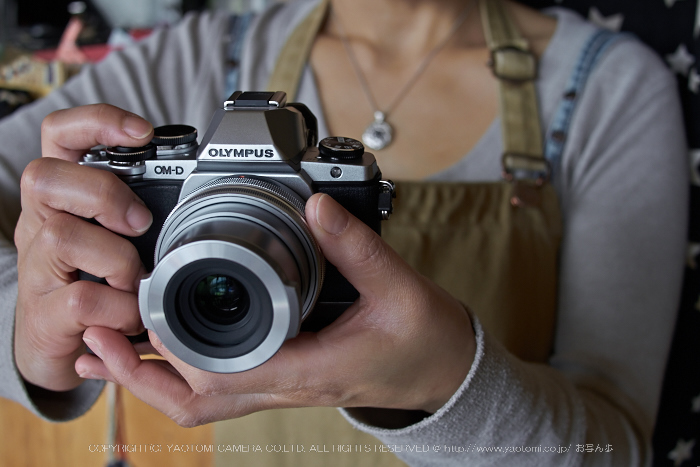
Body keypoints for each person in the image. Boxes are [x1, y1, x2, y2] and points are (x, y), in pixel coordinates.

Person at [0, 0, 688, 465]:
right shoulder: (199, 57)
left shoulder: (606, 88)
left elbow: (615, 446)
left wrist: (447, 382)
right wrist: (26, 327)